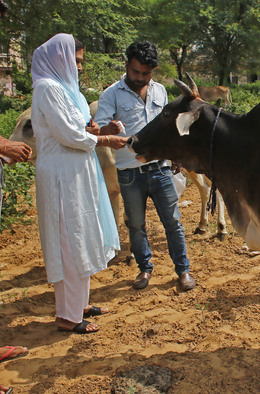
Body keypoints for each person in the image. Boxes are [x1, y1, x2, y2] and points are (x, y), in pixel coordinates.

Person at [30, 34, 128, 334]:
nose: (79, 67)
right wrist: (105, 139)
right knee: (69, 242)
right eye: (77, 60)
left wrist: (98, 129)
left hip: (77, 172)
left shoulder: (67, 89)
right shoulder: (48, 88)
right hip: (62, 175)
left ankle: (79, 303)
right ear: (60, 58)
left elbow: (78, 129)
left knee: (80, 236)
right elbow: (68, 136)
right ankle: (68, 316)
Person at [95, 41, 196, 292]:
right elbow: (98, 129)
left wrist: (176, 155)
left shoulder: (160, 91)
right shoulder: (110, 95)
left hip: (160, 168)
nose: (140, 78)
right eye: (136, 72)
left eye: (147, 73)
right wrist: (110, 130)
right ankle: (144, 268)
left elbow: (169, 128)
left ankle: (183, 270)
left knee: (173, 222)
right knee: (136, 225)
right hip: (129, 173)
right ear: (127, 64)